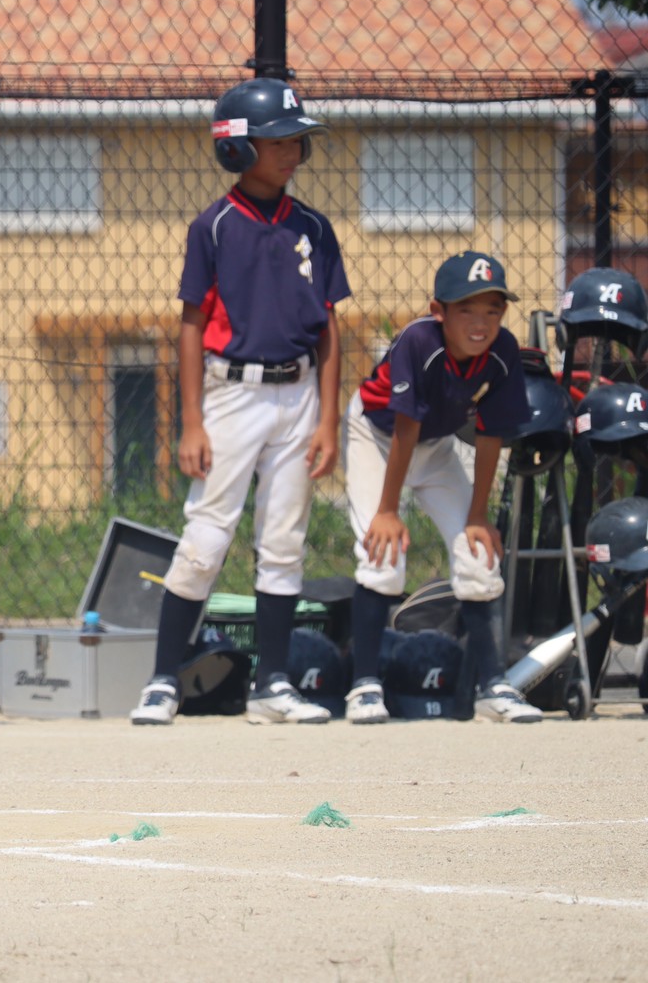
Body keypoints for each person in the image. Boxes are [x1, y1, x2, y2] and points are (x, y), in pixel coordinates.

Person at [130, 77, 349, 726]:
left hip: (300, 395)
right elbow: (192, 325)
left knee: (283, 540)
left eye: (296, 141)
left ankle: (273, 684)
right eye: (277, 140)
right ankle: (164, 679)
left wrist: (329, 419)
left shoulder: (314, 227)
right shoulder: (215, 226)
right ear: (237, 148)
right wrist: (192, 420)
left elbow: (329, 328)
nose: (292, 151)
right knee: (206, 536)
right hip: (233, 395)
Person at [340, 251, 542, 724]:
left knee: (477, 553)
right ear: (439, 311)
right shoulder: (419, 340)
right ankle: (364, 685)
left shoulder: (503, 351)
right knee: (380, 552)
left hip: (436, 447)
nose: (480, 322)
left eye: (492, 310)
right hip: (375, 436)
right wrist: (389, 509)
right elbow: (406, 425)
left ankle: (493, 686)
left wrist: (477, 514)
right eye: (466, 309)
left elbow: (492, 433)